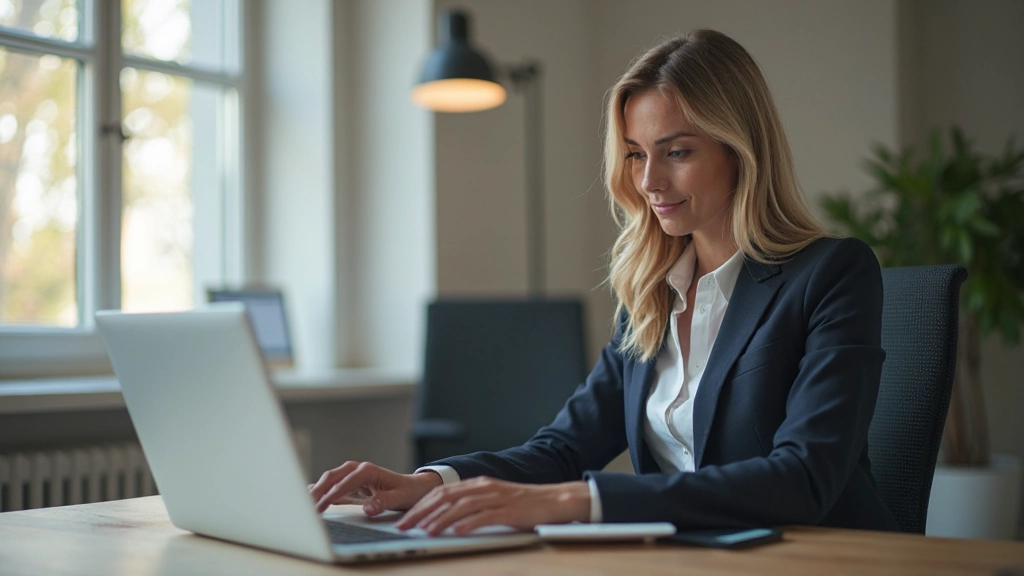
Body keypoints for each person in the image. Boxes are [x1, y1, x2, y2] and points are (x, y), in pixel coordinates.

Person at [309, 28, 900, 536]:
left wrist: (579, 501)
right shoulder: (651, 293)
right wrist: (428, 482)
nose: (649, 181)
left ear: (740, 151)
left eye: (677, 152)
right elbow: (564, 448)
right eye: (638, 155)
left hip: (818, 558)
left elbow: (803, 477)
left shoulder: (831, 275)